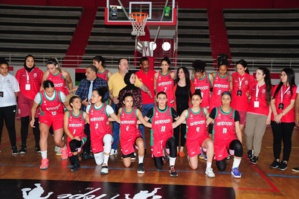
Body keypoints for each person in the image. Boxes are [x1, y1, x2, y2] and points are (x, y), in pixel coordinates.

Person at [108, 58, 151, 155]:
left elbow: (141, 86)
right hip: (119, 106)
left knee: (138, 127)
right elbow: (110, 91)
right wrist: (112, 98)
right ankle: (114, 148)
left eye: (127, 64)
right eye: (124, 64)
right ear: (119, 66)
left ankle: (140, 147)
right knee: (116, 126)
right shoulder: (113, 77)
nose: (127, 65)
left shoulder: (133, 77)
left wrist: (148, 91)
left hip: (134, 110)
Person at [172, 90, 215, 177]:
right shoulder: (186, 112)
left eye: (197, 99)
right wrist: (161, 124)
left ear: (201, 100)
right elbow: (176, 124)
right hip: (191, 140)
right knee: (194, 167)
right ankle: (190, 155)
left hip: (202, 137)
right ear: (191, 101)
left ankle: (208, 168)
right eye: (193, 99)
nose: (195, 101)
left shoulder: (204, 111)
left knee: (210, 143)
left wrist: (211, 121)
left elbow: (211, 120)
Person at [30, 80, 68, 170]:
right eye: (48, 91)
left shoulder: (60, 94)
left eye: (52, 91)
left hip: (58, 116)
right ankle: (44, 160)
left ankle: (64, 147)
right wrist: (32, 119)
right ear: (44, 89)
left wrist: (70, 117)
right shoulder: (39, 95)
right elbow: (34, 108)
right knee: (43, 135)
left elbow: (67, 106)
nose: (50, 93)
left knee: (57, 141)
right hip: (45, 116)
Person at [207, 91, 243, 178]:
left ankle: (235, 169)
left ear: (231, 100)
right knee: (222, 168)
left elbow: (238, 129)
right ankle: (225, 153)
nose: (226, 101)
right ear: (221, 100)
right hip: (218, 142)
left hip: (230, 139)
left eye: (228, 99)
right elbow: (206, 123)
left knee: (238, 146)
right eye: (224, 99)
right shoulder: (215, 110)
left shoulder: (235, 112)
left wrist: (240, 144)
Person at [75, 65, 109, 160]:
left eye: (88, 72)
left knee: (97, 131)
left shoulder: (103, 82)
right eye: (86, 72)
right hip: (84, 110)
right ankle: (85, 151)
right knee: (85, 131)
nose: (86, 74)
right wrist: (82, 102)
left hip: (97, 112)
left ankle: (99, 150)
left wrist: (96, 104)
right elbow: (77, 95)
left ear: (94, 73)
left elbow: (106, 97)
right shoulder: (83, 82)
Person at [145, 92, 179, 177]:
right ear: (156, 100)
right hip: (156, 138)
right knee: (159, 166)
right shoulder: (152, 110)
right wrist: (152, 125)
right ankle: (163, 155)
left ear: (167, 100)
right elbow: (144, 121)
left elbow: (179, 120)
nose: (162, 100)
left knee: (173, 142)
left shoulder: (170, 110)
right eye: (159, 98)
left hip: (167, 137)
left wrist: (173, 125)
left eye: (164, 98)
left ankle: (172, 166)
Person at [15, 55, 43, 154]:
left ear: (34, 62)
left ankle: (38, 145)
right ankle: (23, 146)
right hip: (22, 100)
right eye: (28, 61)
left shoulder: (38, 72)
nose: (30, 63)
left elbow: (43, 84)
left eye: (32, 61)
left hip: (34, 100)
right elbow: (16, 86)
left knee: (35, 123)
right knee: (24, 122)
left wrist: (40, 95)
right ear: (25, 61)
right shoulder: (20, 72)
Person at [88, 87, 120, 174]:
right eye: (92, 96)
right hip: (95, 137)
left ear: (100, 97)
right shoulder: (89, 108)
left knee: (108, 138)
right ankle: (104, 150)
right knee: (98, 162)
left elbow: (118, 120)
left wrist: (131, 121)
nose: (92, 97)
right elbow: (87, 120)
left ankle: (105, 164)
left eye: (94, 96)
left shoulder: (107, 108)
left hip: (106, 134)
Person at [270, 68, 296, 171]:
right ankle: (276, 159)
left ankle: (285, 160)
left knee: (287, 140)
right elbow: (272, 102)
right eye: (281, 75)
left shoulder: (294, 88)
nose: (282, 77)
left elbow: (292, 104)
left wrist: (281, 114)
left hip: (288, 119)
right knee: (276, 139)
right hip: (275, 118)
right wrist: (276, 114)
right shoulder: (276, 87)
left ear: (290, 76)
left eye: (284, 75)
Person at [118, 93, 151, 174]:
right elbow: (116, 119)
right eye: (127, 101)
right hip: (125, 138)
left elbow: (145, 123)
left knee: (140, 143)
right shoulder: (120, 110)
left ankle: (140, 163)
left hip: (135, 135)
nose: (130, 103)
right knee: (127, 165)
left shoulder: (136, 111)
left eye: (131, 101)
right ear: (124, 102)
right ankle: (130, 151)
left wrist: (156, 125)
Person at [245, 67, 272, 164]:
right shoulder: (252, 85)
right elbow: (248, 95)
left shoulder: (269, 87)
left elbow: (270, 103)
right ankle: (249, 149)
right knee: (248, 133)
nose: (256, 75)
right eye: (256, 73)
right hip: (251, 112)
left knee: (258, 135)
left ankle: (256, 155)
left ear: (264, 75)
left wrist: (269, 116)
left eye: (259, 73)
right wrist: (248, 96)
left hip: (263, 114)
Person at [173, 66, 194, 157]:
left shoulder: (190, 83)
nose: (179, 74)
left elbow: (193, 97)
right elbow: (172, 96)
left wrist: (192, 110)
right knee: (176, 129)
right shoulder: (175, 83)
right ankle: (177, 147)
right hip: (176, 109)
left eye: (181, 72)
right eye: (178, 72)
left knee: (184, 129)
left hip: (186, 110)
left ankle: (182, 148)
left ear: (185, 73)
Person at [64, 95, 88, 172]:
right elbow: (65, 128)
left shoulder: (84, 114)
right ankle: (78, 155)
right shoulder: (67, 114)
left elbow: (92, 122)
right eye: (76, 102)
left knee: (73, 144)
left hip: (81, 137)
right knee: (72, 159)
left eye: (80, 102)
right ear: (71, 104)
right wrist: (72, 137)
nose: (79, 103)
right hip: (71, 138)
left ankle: (77, 165)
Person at [135, 57, 155, 151]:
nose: (146, 66)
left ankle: (154, 147)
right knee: (141, 126)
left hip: (152, 104)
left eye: (147, 64)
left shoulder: (154, 73)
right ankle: (143, 147)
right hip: (141, 105)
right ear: (141, 65)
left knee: (154, 126)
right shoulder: (136, 75)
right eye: (144, 64)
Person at [0, 60, 20, 154]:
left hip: (9, 106)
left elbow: (16, 92)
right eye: (2, 68)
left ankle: (14, 147)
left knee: (11, 126)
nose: (4, 70)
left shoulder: (12, 78)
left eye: (6, 68)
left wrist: (8, 99)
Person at [231, 59, 254, 132]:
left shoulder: (250, 78)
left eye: (240, 68)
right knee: (232, 125)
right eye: (237, 68)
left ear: (245, 68)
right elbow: (231, 88)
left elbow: (252, 91)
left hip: (244, 105)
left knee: (241, 125)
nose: (238, 70)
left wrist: (249, 94)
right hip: (233, 105)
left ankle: (235, 140)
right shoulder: (233, 75)